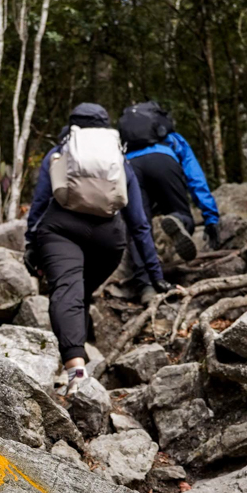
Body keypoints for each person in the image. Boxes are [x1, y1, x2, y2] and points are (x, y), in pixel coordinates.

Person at [24, 103, 173, 390]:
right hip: (108, 239)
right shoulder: (117, 158)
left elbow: (41, 202)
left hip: (60, 229)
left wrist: (32, 242)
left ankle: (76, 372)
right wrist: (156, 276)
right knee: (79, 290)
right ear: (106, 126)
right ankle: (83, 333)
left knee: (67, 290)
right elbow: (139, 223)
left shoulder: (60, 153)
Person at [117, 102, 221, 302]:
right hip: (163, 162)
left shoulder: (126, 144)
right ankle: (179, 220)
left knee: (140, 228)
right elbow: (194, 176)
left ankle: (146, 287)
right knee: (180, 212)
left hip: (130, 167)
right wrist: (210, 216)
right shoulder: (171, 138)